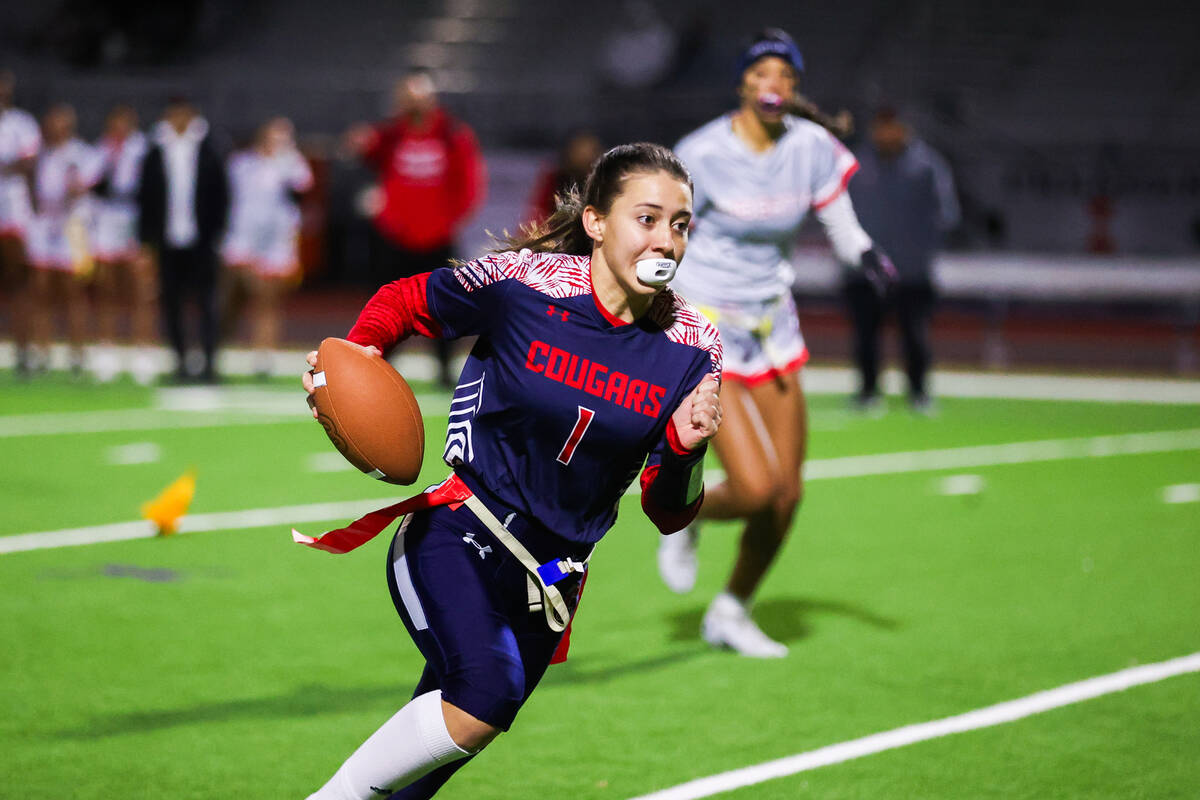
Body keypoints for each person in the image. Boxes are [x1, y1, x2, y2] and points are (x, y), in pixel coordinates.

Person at [298, 142, 722, 799]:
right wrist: (353, 354)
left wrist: (690, 451)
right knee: (483, 697)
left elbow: (670, 511)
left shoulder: (694, 345)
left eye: (680, 224)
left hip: (552, 582)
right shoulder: (528, 283)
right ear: (596, 222)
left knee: (430, 762)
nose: (665, 239)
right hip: (461, 530)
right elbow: (409, 299)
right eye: (647, 218)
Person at [658, 28, 895, 657]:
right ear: (742, 82)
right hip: (709, 329)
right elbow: (668, 233)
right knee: (756, 487)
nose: (774, 85)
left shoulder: (811, 146)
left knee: (787, 496)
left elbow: (839, 220)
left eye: (786, 76)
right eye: (763, 73)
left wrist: (865, 254)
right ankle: (680, 514)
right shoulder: (702, 152)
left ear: (794, 88)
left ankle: (731, 610)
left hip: (774, 330)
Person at [344, 68, 486, 388]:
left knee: (445, 306)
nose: (412, 103)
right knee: (384, 303)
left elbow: (469, 183)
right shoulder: (392, 134)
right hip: (395, 235)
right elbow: (367, 154)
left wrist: (449, 220)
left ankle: (446, 369)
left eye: (417, 96)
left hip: (437, 236)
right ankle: (375, 362)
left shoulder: (452, 134)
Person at [846, 107, 960, 413]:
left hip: (911, 270)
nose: (886, 134)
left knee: (916, 335)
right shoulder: (854, 164)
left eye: (892, 127)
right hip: (865, 270)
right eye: (880, 127)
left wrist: (919, 246)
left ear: (905, 129)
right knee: (865, 337)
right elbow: (837, 210)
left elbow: (947, 214)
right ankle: (868, 392)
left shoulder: (927, 166)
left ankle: (919, 392)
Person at [136, 95, 229, 383]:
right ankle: (180, 361)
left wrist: (216, 234)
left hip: (201, 241)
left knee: (206, 303)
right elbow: (146, 196)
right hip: (167, 240)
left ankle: (209, 363)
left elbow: (221, 194)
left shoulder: (209, 148)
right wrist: (147, 239)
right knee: (171, 303)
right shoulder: (156, 150)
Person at [221, 116, 313, 377]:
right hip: (242, 239)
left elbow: (301, 191)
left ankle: (264, 353)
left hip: (276, 242)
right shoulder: (242, 164)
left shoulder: (292, 164)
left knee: (267, 299)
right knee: (233, 295)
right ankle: (221, 341)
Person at [26, 103, 103, 375]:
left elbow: (86, 186)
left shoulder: (83, 154)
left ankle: (78, 352)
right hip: (45, 225)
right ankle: (42, 350)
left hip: (75, 227)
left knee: (75, 291)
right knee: (41, 289)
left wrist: (73, 190)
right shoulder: (41, 155)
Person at [91, 103, 156, 383]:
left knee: (140, 288)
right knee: (107, 286)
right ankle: (107, 348)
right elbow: (89, 183)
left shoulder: (143, 149)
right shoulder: (100, 149)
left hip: (135, 216)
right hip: (107, 217)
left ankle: (142, 351)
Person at [0, 69, 41, 375]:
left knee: (19, 283)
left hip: (14, 213)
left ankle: (24, 350)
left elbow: (29, 163)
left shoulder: (21, 123)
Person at [525, 128, 603, 227]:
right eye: (580, 152)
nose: (585, 158)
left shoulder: (606, 183)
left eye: (591, 152)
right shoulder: (555, 181)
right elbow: (537, 216)